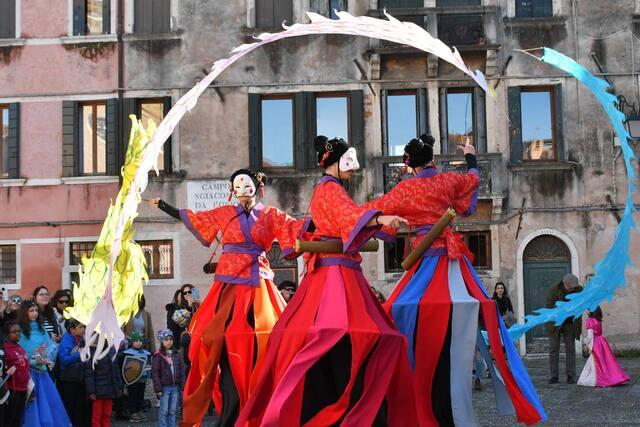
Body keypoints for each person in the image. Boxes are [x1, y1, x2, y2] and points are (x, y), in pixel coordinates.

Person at [363, 134, 546, 425]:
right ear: (433, 160)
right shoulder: (448, 181)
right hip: (452, 261)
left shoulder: (405, 189)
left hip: (423, 262)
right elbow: (472, 181)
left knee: (395, 311)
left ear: (409, 164)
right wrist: (470, 155)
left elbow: (374, 210)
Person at [238, 137, 416, 426]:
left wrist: (379, 217)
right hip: (335, 275)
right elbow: (348, 216)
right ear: (336, 161)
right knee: (357, 335)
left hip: (335, 271)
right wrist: (379, 220)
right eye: (349, 162)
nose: (353, 170)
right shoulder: (329, 189)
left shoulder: (330, 189)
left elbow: (348, 217)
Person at [150, 168, 300, 426]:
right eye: (237, 186)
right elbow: (195, 217)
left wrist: (321, 223)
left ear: (257, 187)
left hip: (258, 280)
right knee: (212, 333)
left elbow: (294, 226)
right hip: (228, 281)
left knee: (276, 333)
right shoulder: (224, 213)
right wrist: (164, 205)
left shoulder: (270, 215)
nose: (243, 190)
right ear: (232, 190)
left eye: (247, 185)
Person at [18, 299, 72, 426]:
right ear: (24, 312)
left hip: (42, 372)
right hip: (27, 373)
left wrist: (44, 357)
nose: (34, 313)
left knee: (45, 403)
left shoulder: (41, 329)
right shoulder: (20, 330)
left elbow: (50, 346)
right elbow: (18, 351)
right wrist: (32, 361)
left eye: (36, 310)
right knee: (31, 402)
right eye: (31, 311)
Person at [546, 273, 583, 384]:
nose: (572, 289)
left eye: (574, 287)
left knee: (570, 349)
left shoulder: (579, 289)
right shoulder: (553, 290)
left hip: (570, 323)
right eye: (570, 287)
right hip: (555, 323)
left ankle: (570, 375)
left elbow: (583, 302)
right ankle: (554, 376)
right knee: (553, 349)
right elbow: (549, 307)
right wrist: (561, 308)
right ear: (564, 283)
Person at [578, 307, 629, 387]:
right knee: (607, 361)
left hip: (595, 342)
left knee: (597, 362)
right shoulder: (598, 320)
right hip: (602, 341)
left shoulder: (590, 321)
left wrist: (585, 341)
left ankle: (601, 378)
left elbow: (590, 336)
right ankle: (615, 376)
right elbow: (599, 332)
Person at [58, 318, 91, 427]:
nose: (84, 329)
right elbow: (65, 360)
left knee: (80, 407)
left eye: (84, 327)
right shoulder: (66, 342)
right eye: (80, 327)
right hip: (68, 379)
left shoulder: (81, 338)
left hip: (79, 377)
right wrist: (80, 353)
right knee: (71, 407)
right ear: (72, 329)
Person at [84, 337, 123, 427]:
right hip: (98, 390)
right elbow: (89, 374)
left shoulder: (111, 351)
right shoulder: (92, 353)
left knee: (107, 414)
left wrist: (119, 386)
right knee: (97, 415)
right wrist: (91, 391)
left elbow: (116, 370)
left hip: (110, 388)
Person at [152, 329, 185, 427]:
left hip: (175, 387)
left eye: (170, 339)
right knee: (164, 410)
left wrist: (182, 384)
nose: (169, 342)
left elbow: (181, 370)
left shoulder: (176, 354)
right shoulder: (158, 355)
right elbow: (155, 373)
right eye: (166, 339)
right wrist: (158, 389)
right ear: (161, 341)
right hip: (164, 388)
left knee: (173, 411)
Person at [121, 331, 151, 423]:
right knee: (132, 395)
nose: (139, 343)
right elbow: (126, 367)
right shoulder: (128, 354)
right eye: (136, 341)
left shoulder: (145, 353)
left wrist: (149, 376)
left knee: (140, 395)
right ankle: (133, 412)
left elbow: (148, 365)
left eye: (140, 341)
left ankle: (139, 410)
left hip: (142, 378)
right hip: (132, 379)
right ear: (132, 342)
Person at [3, 321, 29, 427]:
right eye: (14, 332)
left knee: (19, 417)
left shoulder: (20, 348)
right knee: (10, 418)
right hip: (12, 390)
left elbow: (25, 368)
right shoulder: (5, 350)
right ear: (7, 334)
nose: (18, 333)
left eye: (19, 331)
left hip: (23, 388)